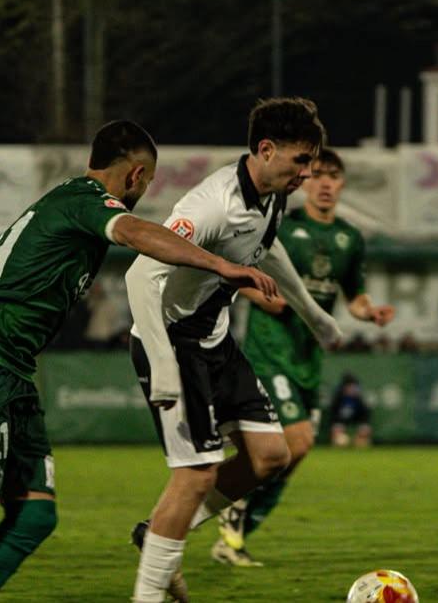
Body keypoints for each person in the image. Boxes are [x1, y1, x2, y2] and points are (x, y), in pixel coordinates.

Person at [0, 120, 277, 603]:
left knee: (34, 517)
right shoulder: (86, 202)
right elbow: (134, 233)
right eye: (147, 183)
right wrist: (220, 263)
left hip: (10, 370)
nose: (142, 192)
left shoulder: (69, 201)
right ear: (135, 176)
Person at [125, 97, 343, 602]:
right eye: (301, 161)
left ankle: (159, 534)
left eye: (312, 162)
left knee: (270, 456)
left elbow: (267, 246)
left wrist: (312, 313)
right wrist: (161, 367)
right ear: (266, 150)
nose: (308, 174)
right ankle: (148, 593)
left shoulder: (271, 193)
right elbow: (140, 275)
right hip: (172, 343)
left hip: (215, 339)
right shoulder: (211, 205)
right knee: (197, 474)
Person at [211, 147, 395, 566]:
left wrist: (369, 312)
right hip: (270, 350)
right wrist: (260, 293)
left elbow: (354, 296)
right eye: (319, 175)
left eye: (335, 176)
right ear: (305, 181)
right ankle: (224, 503)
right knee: (299, 440)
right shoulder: (282, 227)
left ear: (343, 184)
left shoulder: (349, 238)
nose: (326, 183)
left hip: (307, 357)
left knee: (295, 452)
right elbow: (234, 268)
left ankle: (237, 524)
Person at [329, 373, 373, 448]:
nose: (352, 389)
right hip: (341, 422)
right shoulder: (338, 399)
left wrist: (362, 430)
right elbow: (334, 417)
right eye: (349, 386)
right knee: (340, 439)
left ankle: (357, 441)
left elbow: (365, 417)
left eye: (353, 386)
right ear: (344, 387)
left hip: (356, 421)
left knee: (364, 436)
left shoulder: (359, 400)